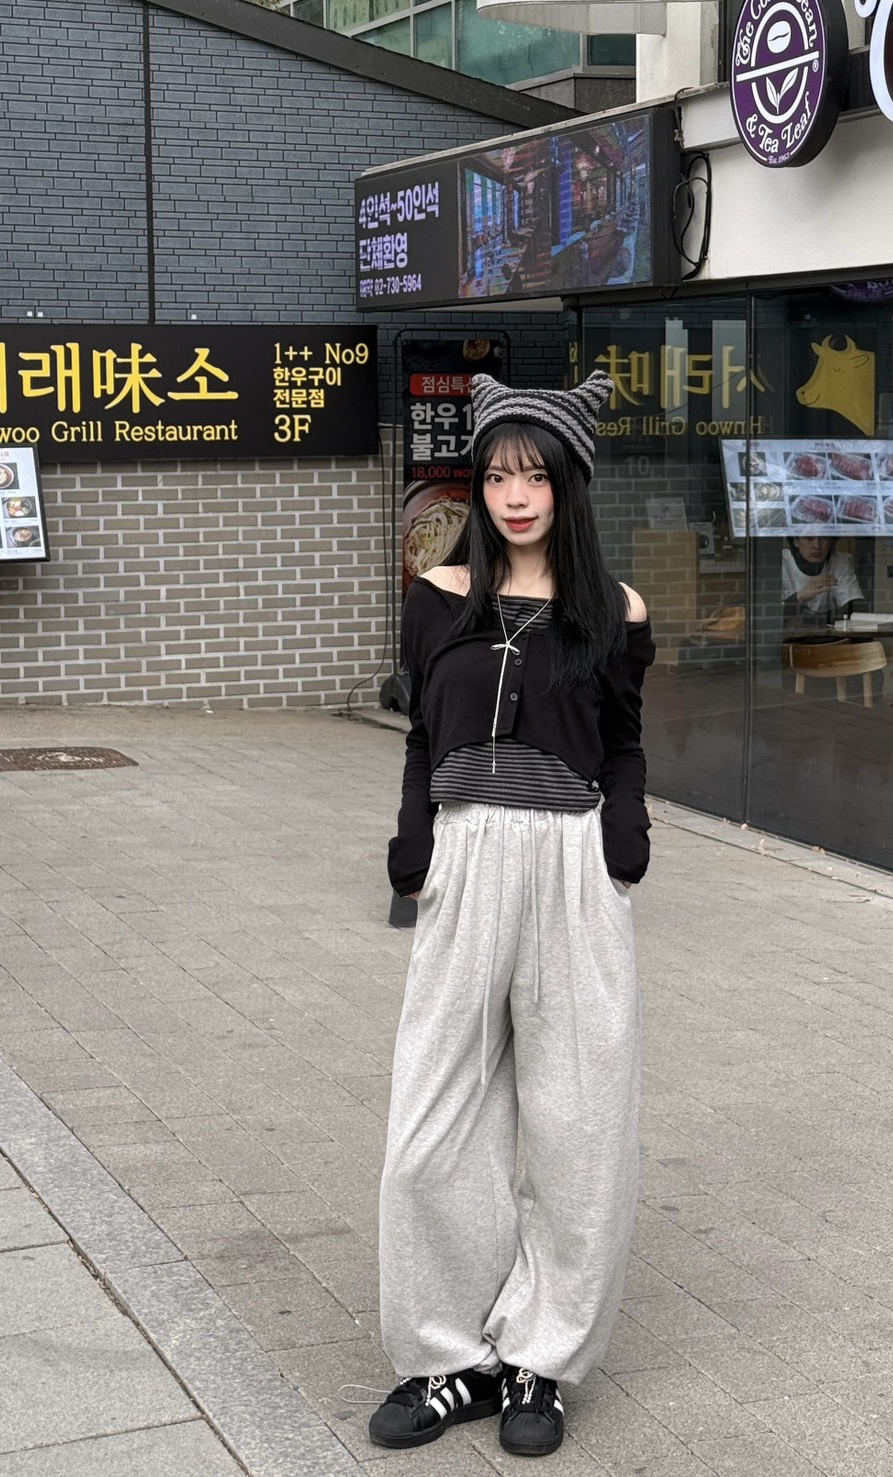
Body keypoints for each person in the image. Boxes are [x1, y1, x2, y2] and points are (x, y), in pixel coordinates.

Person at [371, 371, 654, 1460]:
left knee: (578, 1122)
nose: (515, 495)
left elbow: (622, 740)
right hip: (466, 857)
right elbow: (417, 735)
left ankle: (541, 1356)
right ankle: (451, 1356)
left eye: (535, 475)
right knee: (432, 1124)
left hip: (571, 862)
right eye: (496, 476)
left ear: (570, 484)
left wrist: (623, 838)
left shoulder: (613, 612)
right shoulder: (437, 595)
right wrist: (414, 839)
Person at [782, 534, 864, 628]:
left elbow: (857, 609)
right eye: (809, 538)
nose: (817, 545)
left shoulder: (838, 561)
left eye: (824, 538)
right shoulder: (781, 562)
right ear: (795, 541)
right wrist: (800, 596)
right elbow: (772, 616)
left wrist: (808, 620)